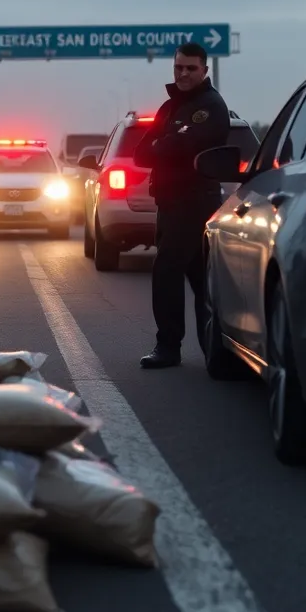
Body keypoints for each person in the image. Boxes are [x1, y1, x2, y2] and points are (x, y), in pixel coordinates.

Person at [133, 42, 230, 369]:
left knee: (167, 272)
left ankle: (168, 346)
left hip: (194, 202)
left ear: (204, 70)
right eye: (179, 67)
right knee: (199, 278)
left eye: (191, 68)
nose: (184, 73)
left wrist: (166, 144)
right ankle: (213, 351)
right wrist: (169, 144)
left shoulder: (210, 106)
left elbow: (187, 145)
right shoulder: (170, 107)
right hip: (168, 202)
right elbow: (142, 152)